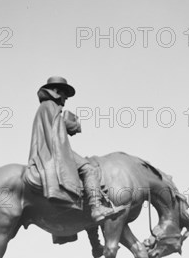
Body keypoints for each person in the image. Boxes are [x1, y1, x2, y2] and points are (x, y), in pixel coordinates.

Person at [26, 76, 119, 223]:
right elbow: (56, 132)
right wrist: (71, 124)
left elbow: (55, 128)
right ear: (56, 91)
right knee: (89, 169)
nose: (65, 98)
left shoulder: (46, 107)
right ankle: (96, 208)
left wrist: (66, 123)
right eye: (64, 94)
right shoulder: (50, 106)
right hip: (54, 151)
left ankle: (94, 238)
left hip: (51, 148)